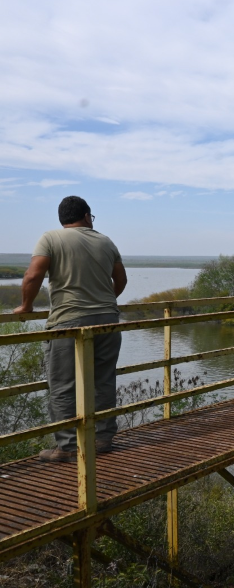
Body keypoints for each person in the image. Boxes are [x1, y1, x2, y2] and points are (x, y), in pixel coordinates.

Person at [14, 196, 127, 462]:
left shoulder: (50, 238)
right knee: (103, 381)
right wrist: (104, 300)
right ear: (87, 216)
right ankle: (102, 439)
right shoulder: (105, 240)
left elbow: (33, 275)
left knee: (63, 386)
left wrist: (25, 306)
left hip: (69, 321)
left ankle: (67, 448)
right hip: (108, 320)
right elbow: (120, 279)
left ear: (62, 219)